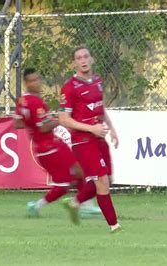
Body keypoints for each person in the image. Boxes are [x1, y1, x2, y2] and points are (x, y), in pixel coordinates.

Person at [58, 45, 121, 232]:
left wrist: (112, 129)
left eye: (86, 56)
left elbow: (100, 108)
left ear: (91, 59)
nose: (83, 60)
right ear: (74, 63)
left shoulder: (97, 81)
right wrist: (90, 128)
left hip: (99, 137)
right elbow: (63, 119)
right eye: (79, 58)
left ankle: (75, 202)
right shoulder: (69, 88)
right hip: (83, 141)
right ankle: (114, 226)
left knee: (107, 179)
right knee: (102, 182)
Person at [13, 68, 82, 224]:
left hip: (44, 148)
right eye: (32, 81)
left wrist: (31, 123)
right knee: (76, 174)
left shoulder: (22, 101)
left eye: (37, 79)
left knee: (70, 179)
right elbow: (44, 127)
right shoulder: (35, 102)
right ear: (26, 83)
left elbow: (17, 123)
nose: (37, 83)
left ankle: (37, 206)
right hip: (50, 147)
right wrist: (61, 119)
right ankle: (84, 205)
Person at [53, 124, 102, 218]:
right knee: (87, 176)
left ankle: (83, 205)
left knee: (81, 177)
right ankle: (82, 205)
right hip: (72, 150)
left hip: (66, 152)